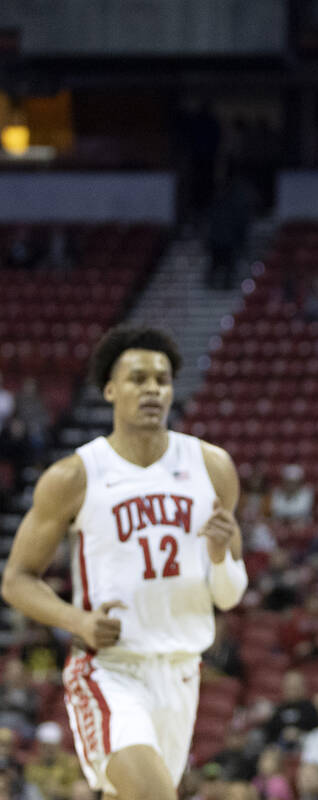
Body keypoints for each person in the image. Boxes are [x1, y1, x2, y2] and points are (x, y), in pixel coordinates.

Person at [0, 325, 249, 799]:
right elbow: (16, 580)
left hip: (180, 669)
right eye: (138, 378)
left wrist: (219, 558)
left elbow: (229, 593)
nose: (153, 388)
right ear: (110, 390)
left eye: (162, 379)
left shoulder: (213, 467)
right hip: (109, 667)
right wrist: (76, 619)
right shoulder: (74, 475)